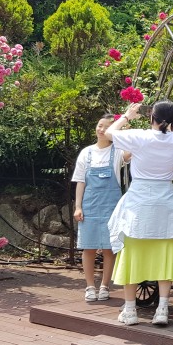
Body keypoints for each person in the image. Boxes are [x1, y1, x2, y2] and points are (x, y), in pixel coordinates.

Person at [105, 100, 173, 326]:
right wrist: (170, 122)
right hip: (164, 205)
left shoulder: (140, 137)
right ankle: (162, 310)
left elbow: (109, 133)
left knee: (132, 256)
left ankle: (130, 310)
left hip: (139, 204)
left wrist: (127, 116)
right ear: (171, 121)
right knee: (164, 258)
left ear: (152, 117)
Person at [72, 114, 130, 303]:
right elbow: (80, 181)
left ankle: (105, 286)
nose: (101, 129)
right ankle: (90, 286)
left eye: (106, 127)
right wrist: (78, 207)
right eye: (99, 125)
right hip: (89, 206)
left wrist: (125, 129)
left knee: (109, 248)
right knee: (88, 247)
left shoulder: (118, 152)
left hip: (112, 207)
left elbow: (131, 152)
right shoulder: (86, 153)